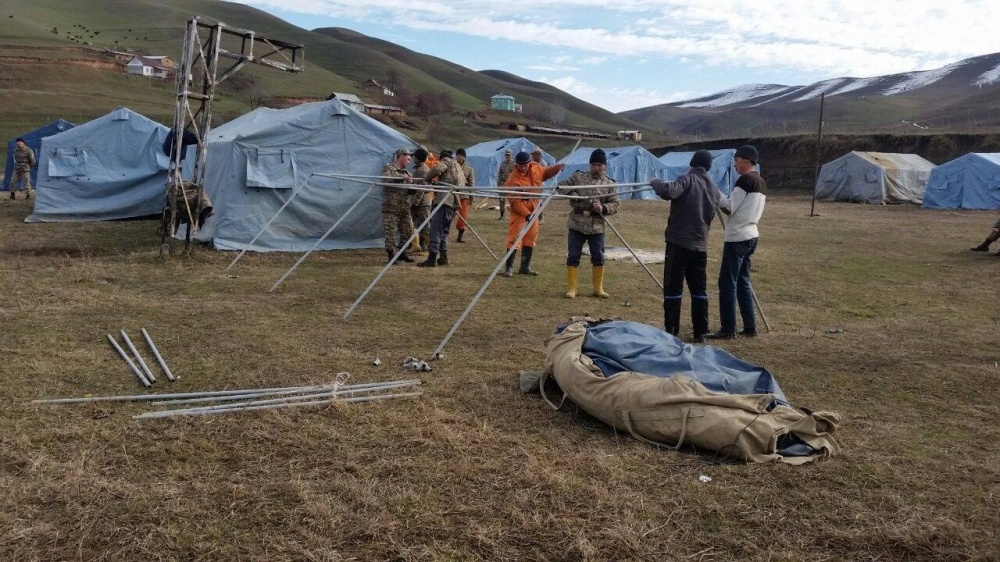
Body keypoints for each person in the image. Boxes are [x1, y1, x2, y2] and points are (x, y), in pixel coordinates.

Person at [649, 150, 722, 341]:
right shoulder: (714, 189)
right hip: (700, 246)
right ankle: (701, 332)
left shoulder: (688, 179)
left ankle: (672, 330)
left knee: (673, 288)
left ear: (693, 163)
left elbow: (668, 191)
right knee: (699, 290)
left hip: (679, 243)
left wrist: (654, 182)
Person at [707, 145, 767, 340]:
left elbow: (730, 207)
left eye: (737, 160)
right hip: (751, 235)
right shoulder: (760, 181)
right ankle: (750, 326)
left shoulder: (746, 179)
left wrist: (715, 193)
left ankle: (728, 328)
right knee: (742, 281)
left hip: (738, 237)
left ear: (747, 161)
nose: (734, 164)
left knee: (727, 283)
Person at [559, 148, 619, 298]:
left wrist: (603, 208)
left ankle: (598, 289)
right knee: (573, 256)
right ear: (590, 165)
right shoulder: (578, 177)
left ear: (605, 166)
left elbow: (615, 204)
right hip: (577, 223)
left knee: (598, 257)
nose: (597, 167)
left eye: (600, 165)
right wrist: (572, 193)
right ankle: (572, 289)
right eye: (594, 164)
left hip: (597, 225)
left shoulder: (609, 184)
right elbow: (561, 186)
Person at [502, 151, 565, 277]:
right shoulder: (512, 180)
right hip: (520, 212)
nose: (524, 167)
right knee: (514, 238)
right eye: (521, 165)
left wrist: (557, 168)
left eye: (526, 165)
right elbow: (515, 202)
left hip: (534, 208)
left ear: (529, 162)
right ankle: (508, 268)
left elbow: (546, 173)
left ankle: (525, 267)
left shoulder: (536, 168)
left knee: (531, 238)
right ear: (517, 164)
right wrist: (526, 214)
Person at [418, 150, 465, 267]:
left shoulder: (446, 162)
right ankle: (443, 257)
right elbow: (461, 184)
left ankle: (432, 258)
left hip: (445, 201)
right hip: (454, 202)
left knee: (435, 230)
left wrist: (427, 179)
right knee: (443, 231)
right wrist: (438, 184)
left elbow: (436, 170)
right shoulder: (458, 166)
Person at [381, 148, 417, 264]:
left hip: (404, 208)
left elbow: (410, 191)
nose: (410, 160)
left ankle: (402, 252)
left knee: (409, 231)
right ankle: (391, 255)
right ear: (401, 156)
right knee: (390, 232)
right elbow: (386, 180)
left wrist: (415, 186)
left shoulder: (408, 173)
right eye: (408, 157)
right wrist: (401, 179)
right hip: (392, 207)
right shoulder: (389, 169)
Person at [409, 148, 432, 253]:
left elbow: (421, 189)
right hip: (418, 202)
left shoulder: (423, 170)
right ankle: (416, 245)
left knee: (425, 226)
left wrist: (414, 203)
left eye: (415, 156)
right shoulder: (419, 169)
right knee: (413, 224)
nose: (413, 158)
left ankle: (429, 246)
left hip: (423, 203)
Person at [454, 148, 475, 243]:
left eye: (462, 155)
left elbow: (471, 183)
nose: (460, 157)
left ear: (464, 157)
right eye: (458, 155)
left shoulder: (469, 169)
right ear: (456, 156)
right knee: (449, 214)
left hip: (464, 194)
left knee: (463, 216)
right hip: (453, 193)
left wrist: (471, 197)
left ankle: (460, 235)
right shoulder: (452, 166)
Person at [496, 149, 514, 219]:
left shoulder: (514, 164)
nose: (508, 156)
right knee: (501, 199)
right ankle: (502, 215)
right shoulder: (503, 163)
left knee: (512, 200)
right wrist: (498, 184)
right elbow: (500, 174)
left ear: (511, 155)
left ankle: (513, 215)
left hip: (510, 184)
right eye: (506, 155)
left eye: (509, 155)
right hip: (502, 183)